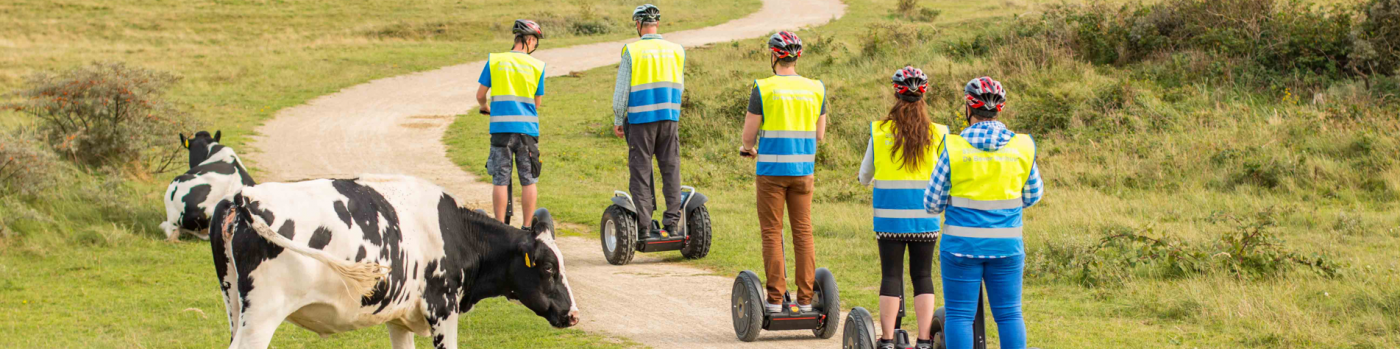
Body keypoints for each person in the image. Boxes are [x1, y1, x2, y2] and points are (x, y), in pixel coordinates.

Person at [924, 76, 1042, 349]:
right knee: (1010, 314)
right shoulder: (1022, 147)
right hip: (1007, 246)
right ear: (1000, 109)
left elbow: (931, 202)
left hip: (961, 249)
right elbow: (1033, 194)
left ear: (968, 108)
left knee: (960, 316)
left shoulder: (953, 148)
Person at [858, 66, 949, 349]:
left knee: (890, 276)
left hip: (889, 220)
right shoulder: (939, 133)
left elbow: (864, 177)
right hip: (926, 219)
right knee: (923, 276)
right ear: (924, 95)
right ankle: (923, 340)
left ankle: (886, 340)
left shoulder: (880, 130)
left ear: (896, 94)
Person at [739, 31, 828, 313]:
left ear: (775, 56)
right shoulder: (816, 88)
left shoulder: (764, 88)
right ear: (797, 57)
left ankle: (775, 300)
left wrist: (748, 148)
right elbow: (820, 134)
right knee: (803, 233)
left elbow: (748, 135)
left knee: (771, 232)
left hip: (771, 173)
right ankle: (804, 301)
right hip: (803, 171)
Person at [612, 4, 686, 236]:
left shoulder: (632, 51)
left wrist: (617, 117)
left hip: (641, 119)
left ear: (638, 24)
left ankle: (644, 227)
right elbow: (680, 86)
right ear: (657, 23)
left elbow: (622, 91)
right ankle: (673, 223)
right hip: (669, 118)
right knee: (670, 169)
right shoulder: (677, 50)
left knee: (641, 171)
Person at [476, 19, 546, 228]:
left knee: (500, 178)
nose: (535, 46)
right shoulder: (537, 65)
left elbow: (480, 95)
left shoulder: (495, 61)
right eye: (535, 42)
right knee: (528, 179)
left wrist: (485, 107)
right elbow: (537, 102)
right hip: (526, 130)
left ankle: (500, 228)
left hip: (501, 129)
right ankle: (526, 227)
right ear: (529, 40)